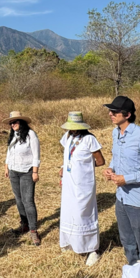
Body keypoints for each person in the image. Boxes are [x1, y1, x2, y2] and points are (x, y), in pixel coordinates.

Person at [102, 96, 140, 264]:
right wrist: (111, 168)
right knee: (128, 242)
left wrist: (126, 179)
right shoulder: (115, 133)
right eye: (110, 111)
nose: (110, 114)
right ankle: (134, 276)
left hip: (139, 201)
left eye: (114, 112)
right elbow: (117, 156)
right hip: (121, 198)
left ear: (127, 115)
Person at [59, 111, 105, 266]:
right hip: (69, 182)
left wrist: (83, 167)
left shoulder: (89, 139)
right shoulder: (67, 137)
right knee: (69, 211)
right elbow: (67, 156)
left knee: (83, 213)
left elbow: (100, 161)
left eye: (74, 127)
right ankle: (71, 242)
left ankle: (93, 249)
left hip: (84, 183)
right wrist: (64, 167)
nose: (72, 129)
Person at [3, 111, 41, 246]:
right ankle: (24, 224)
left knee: (28, 201)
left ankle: (33, 230)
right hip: (14, 171)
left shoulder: (31, 135)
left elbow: (36, 155)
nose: (13, 124)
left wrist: (35, 172)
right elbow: (9, 152)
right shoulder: (13, 134)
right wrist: (6, 166)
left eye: (15, 122)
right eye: (11, 123)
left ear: (21, 122)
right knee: (18, 200)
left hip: (27, 171)